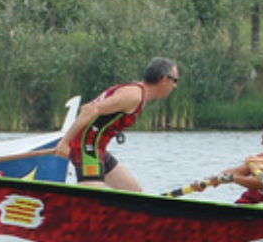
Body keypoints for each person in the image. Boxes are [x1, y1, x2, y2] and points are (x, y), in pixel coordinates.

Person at [60, 57, 180, 190]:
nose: (175, 85)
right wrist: (64, 143)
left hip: (97, 146)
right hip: (86, 146)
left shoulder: (138, 93)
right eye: (175, 80)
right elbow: (88, 109)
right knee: (93, 198)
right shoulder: (133, 95)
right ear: (163, 79)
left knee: (133, 192)